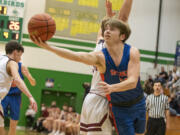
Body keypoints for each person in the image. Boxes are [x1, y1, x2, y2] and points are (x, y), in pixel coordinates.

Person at [31, 0, 134, 134]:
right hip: (98, 101)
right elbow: (121, 19)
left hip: (93, 99)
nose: (108, 29)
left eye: (111, 28)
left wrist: (108, 16)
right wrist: (49, 47)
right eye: (108, 28)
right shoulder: (103, 51)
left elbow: (120, 20)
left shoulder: (102, 47)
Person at [0, 41, 37, 135]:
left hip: (14, 96)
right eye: (20, 56)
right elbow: (18, 80)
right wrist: (30, 97)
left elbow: (32, 83)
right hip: (5, 95)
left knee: (6, 125)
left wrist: (28, 76)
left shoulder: (2, 58)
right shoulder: (12, 63)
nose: (20, 58)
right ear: (15, 52)